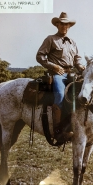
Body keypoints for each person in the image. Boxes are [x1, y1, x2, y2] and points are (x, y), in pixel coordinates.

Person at [36, 12, 85, 142]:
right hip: (57, 74)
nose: (64, 26)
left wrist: (80, 65)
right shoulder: (50, 39)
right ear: (57, 24)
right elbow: (40, 56)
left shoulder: (72, 42)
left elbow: (77, 58)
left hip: (72, 73)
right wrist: (54, 67)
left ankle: (78, 126)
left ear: (69, 26)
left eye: (66, 24)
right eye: (62, 24)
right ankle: (58, 131)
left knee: (83, 94)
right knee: (60, 94)